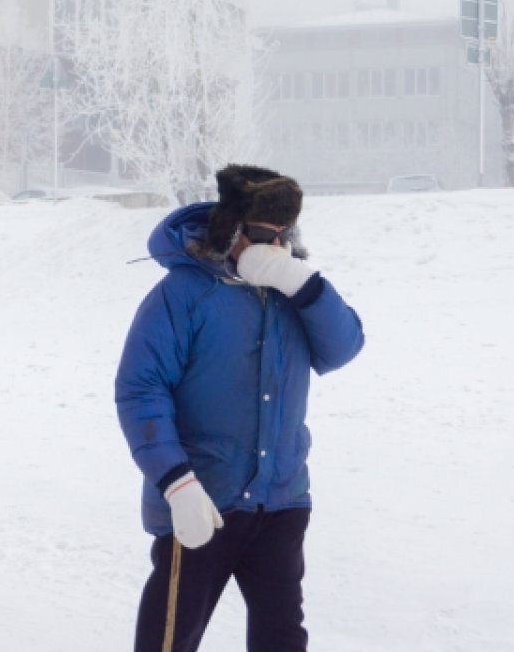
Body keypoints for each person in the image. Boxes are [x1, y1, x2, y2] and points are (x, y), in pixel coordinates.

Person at [115, 164, 365, 652]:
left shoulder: (295, 291)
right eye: (259, 235)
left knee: (282, 640)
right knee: (169, 639)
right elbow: (141, 390)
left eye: (282, 236)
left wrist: (305, 285)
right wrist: (175, 481)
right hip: (201, 501)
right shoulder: (184, 294)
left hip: (281, 500)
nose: (273, 247)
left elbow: (342, 349)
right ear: (231, 229)